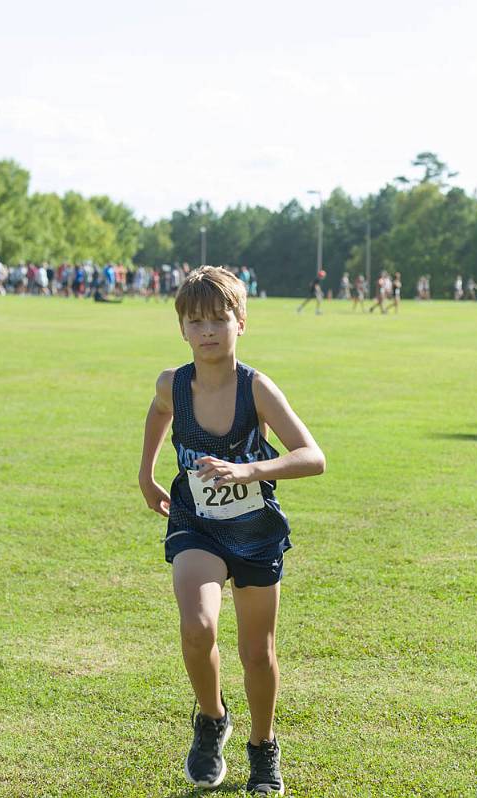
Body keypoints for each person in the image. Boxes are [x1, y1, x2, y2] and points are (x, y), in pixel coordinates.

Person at [138, 267, 324, 795]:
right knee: (197, 629)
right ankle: (211, 717)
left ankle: (263, 748)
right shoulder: (173, 383)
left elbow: (314, 457)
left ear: (241, 321)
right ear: (182, 329)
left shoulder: (257, 388)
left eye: (219, 318)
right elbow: (158, 411)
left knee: (257, 653)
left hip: (255, 530)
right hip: (196, 523)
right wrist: (146, 474)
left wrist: (250, 470)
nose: (208, 331)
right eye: (195, 321)